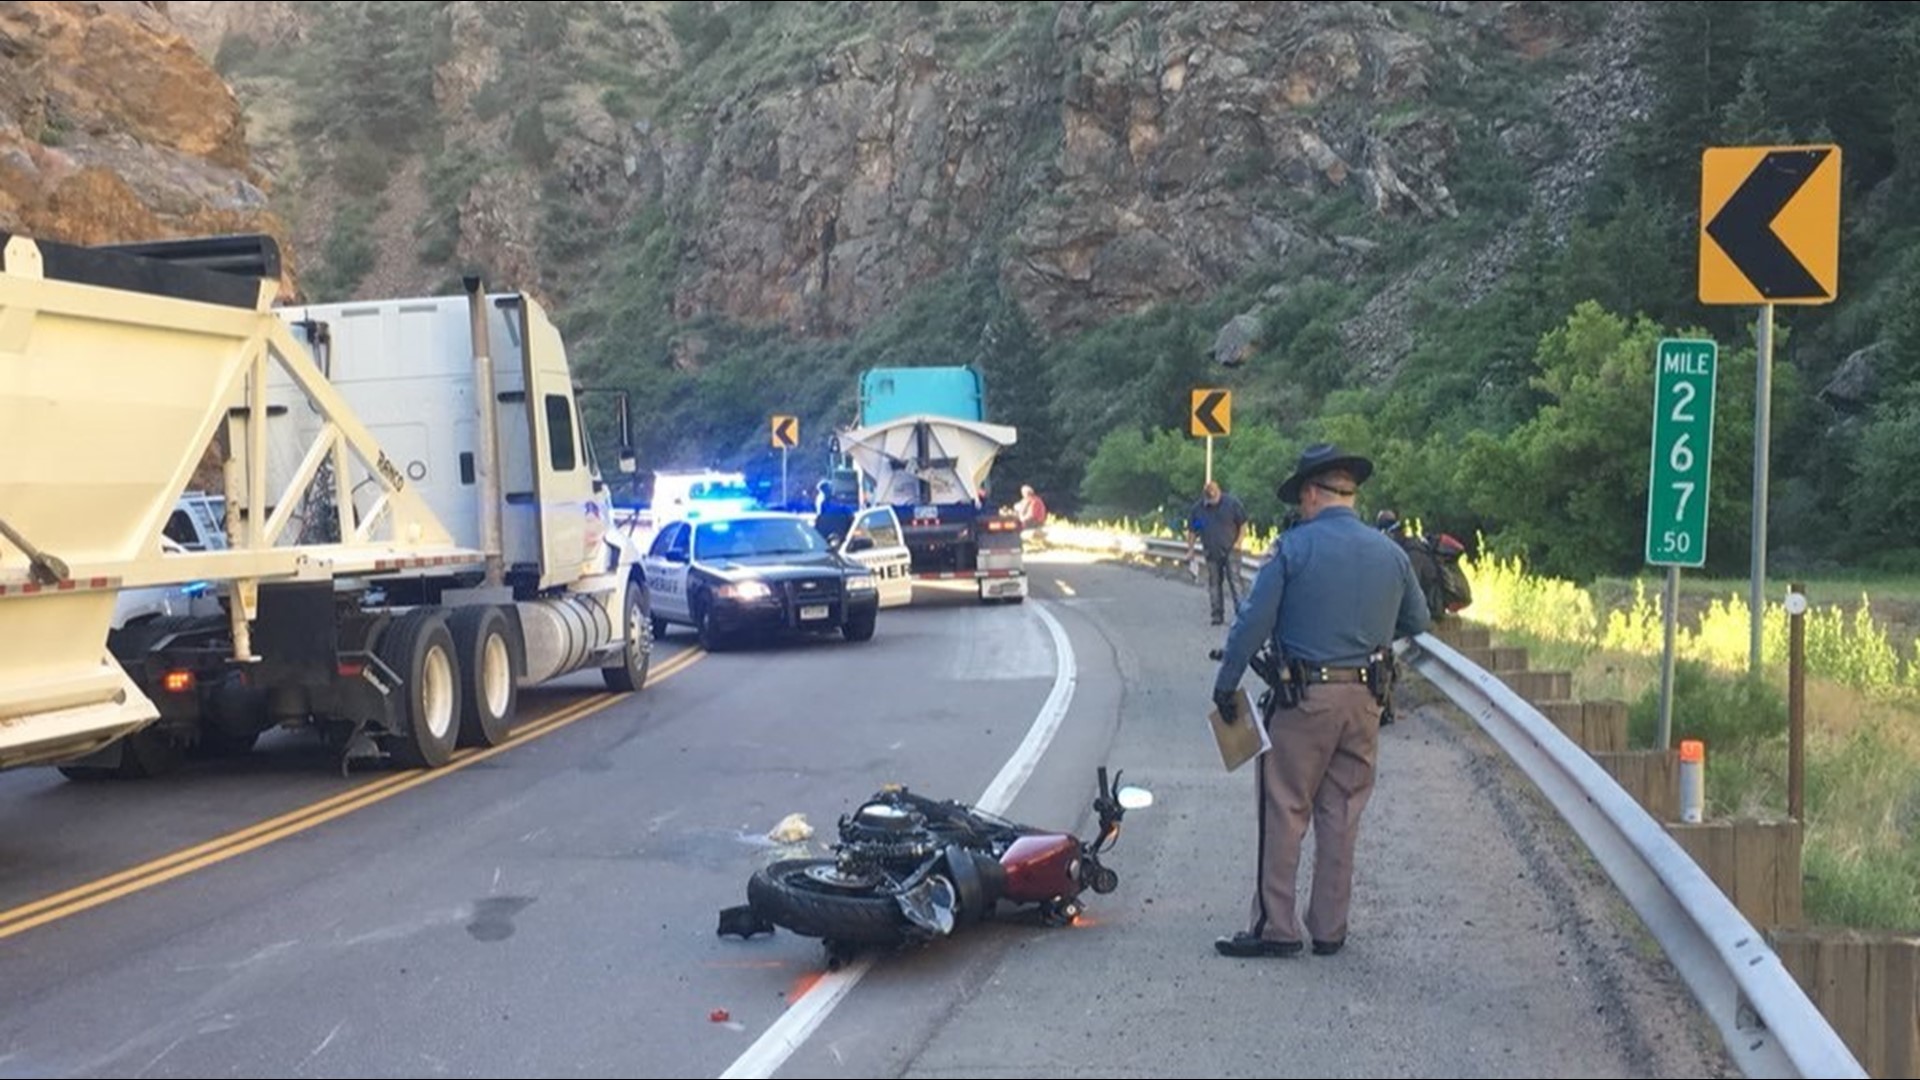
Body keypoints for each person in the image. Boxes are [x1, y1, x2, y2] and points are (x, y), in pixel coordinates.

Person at [1208, 443, 1430, 959]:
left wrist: (1227, 682)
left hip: (1303, 699)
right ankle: (1330, 928)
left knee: (1284, 806)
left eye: (1300, 499)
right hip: (1367, 701)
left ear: (1312, 493)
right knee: (1342, 812)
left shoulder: (1293, 548)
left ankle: (1276, 928)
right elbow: (1417, 622)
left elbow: (1252, 622)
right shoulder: (1391, 553)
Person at [1186, 480, 1248, 625]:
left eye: (1214, 498)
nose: (1212, 502)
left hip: (1231, 549)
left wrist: (1239, 542)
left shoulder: (1232, 504)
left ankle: (1242, 614)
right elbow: (1193, 530)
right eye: (1209, 499)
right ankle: (1217, 615)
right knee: (1214, 583)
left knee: (1235, 582)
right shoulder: (1199, 510)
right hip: (1211, 551)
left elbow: (1243, 523)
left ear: (1219, 492)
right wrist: (1191, 550)